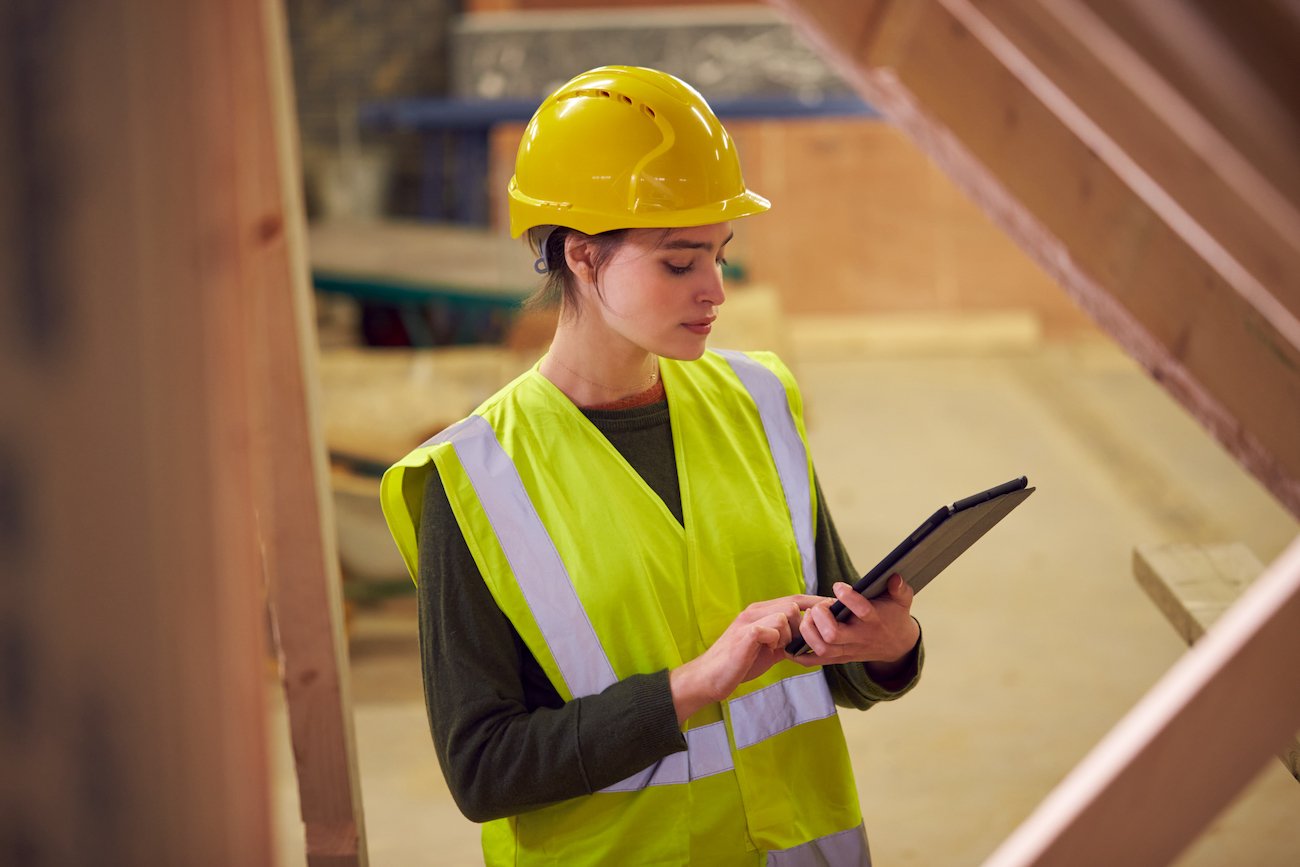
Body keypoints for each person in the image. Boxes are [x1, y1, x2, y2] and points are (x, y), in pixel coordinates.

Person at [381, 66, 923, 866]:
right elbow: (482, 767)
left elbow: (835, 659)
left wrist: (890, 643)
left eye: (719, 255)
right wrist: (694, 684)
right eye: (680, 263)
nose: (716, 290)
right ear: (584, 258)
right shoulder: (474, 478)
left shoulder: (757, 398)